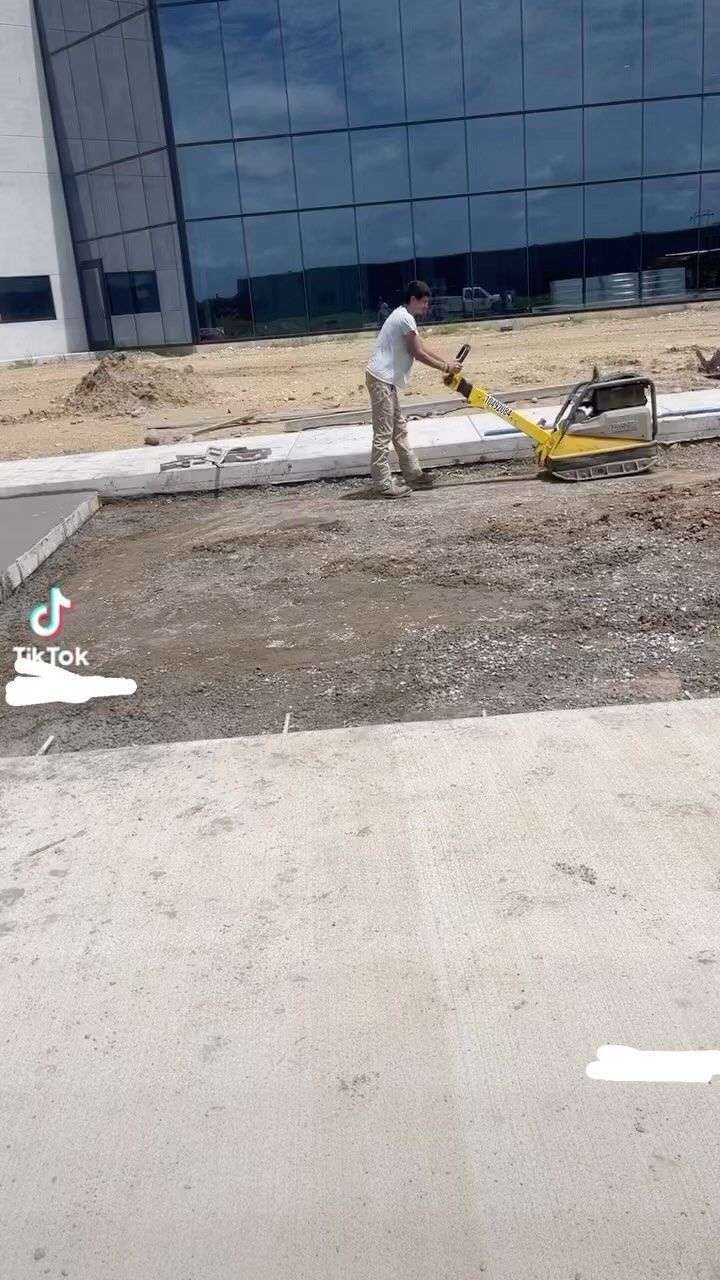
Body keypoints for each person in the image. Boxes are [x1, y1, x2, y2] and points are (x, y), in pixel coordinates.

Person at [365, 280, 462, 498]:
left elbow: (422, 346)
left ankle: (413, 475)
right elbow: (417, 352)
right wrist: (446, 367)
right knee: (383, 433)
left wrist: (448, 363)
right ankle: (382, 483)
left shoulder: (403, 316)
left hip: (386, 381)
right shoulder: (405, 318)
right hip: (381, 379)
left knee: (399, 428)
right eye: (424, 302)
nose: (426, 307)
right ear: (413, 300)